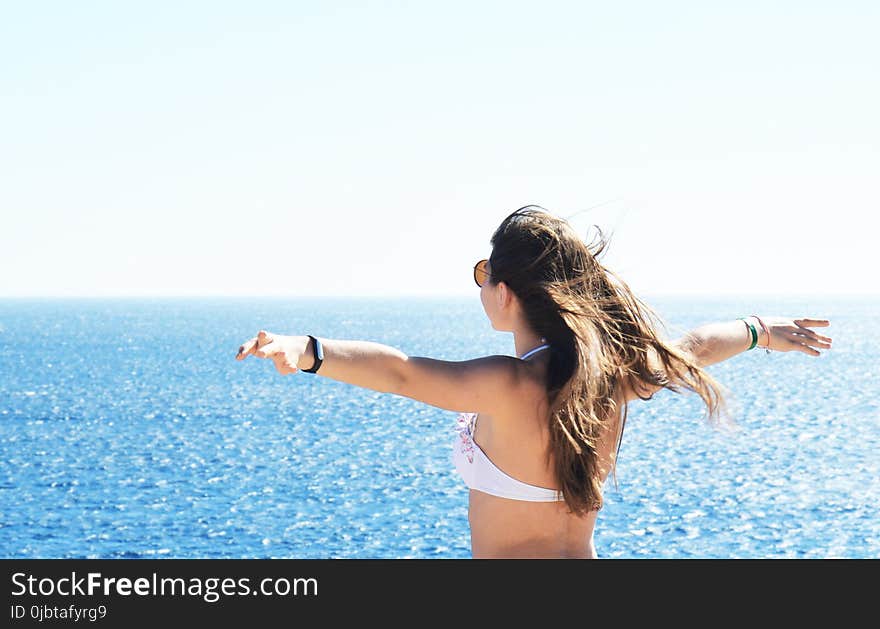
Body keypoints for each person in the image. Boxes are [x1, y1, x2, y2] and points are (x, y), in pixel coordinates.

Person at [234, 205, 833, 559]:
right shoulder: (613, 377)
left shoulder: (509, 384)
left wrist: (308, 351)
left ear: (506, 292)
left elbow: (399, 371)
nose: (480, 285)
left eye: (482, 273)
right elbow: (695, 347)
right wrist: (758, 330)